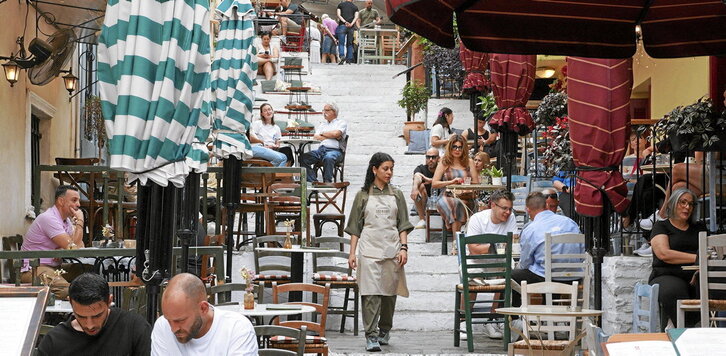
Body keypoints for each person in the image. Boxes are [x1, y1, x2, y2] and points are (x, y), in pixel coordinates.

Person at [346, 152, 413, 352]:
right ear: (374, 169)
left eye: (391, 168)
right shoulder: (363, 195)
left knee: (389, 294)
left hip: (392, 249)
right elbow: (355, 228)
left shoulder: (397, 194)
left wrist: (404, 248)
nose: (389, 172)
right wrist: (352, 253)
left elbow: (402, 224)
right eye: (385, 168)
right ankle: (371, 335)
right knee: (370, 295)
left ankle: (385, 330)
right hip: (368, 250)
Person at [37, 273, 152, 356]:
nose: (90, 325)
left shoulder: (134, 328)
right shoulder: (54, 342)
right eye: (81, 316)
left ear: (109, 301)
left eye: (97, 316)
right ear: (70, 303)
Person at [151, 273, 258, 355]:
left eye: (180, 320)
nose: (173, 329)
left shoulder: (237, 328)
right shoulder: (162, 326)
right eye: (168, 320)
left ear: (203, 308)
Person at [512, 192, 583, 308]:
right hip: (573, 277)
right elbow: (581, 254)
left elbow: (525, 263)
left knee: (512, 275)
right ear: (546, 206)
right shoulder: (570, 223)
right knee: (544, 270)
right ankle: (549, 318)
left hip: (549, 277)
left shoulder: (531, 228)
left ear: (528, 210)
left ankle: (515, 318)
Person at [465, 189, 518, 340]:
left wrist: (495, 247)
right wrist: (494, 246)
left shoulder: (511, 218)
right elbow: (473, 249)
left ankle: (493, 319)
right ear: (493, 205)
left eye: (509, 208)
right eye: (504, 208)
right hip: (477, 262)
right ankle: (464, 319)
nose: (507, 212)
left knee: (509, 275)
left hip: (499, 261)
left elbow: (512, 243)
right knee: (471, 277)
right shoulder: (477, 219)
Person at [648, 188, 705, 329]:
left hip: (695, 273)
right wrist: (697, 258)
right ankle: (683, 330)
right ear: (673, 204)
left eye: (691, 204)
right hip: (667, 274)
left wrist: (699, 269)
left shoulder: (699, 227)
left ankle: (703, 328)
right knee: (674, 291)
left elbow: (708, 251)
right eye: (683, 202)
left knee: (711, 288)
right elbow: (664, 254)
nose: (687, 207)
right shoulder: (661, 226)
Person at [20, 185, 85, 299]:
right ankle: (56, 316)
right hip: (34, 269)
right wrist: (80, 220)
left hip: (54, 267)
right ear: (61, 201)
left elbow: (79, 245)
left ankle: (85, 310)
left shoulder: (66, 221)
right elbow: (73, 248)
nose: (78, 205)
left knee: (87, 272)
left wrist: (64, 247)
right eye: (74, 200)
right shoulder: (49, 218)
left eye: (78, 200)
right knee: (65, 290)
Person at [432, 135, 479, 235]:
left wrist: (467, 187)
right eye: (454, 147)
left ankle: (456, 243)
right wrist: (451, 182)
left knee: (462, 204)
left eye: (460, 147)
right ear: (450, 148)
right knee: (457, 204)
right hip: (447, 195)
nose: (457, 150)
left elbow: (476, 183)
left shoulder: (469, 162)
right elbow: (434, 183)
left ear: (464, 149)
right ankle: (456, 242)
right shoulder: (444, 162)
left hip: (466, 195)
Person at [301, 103, 348, 183]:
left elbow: (336, 134)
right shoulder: (322, 124)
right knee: (303, 158)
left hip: (335, 151)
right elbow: (316, 137)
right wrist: (331, 135)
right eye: (323, 110)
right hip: (321, 150)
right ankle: (313, 182)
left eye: (326, 110)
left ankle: (327, 182)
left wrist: (323, 134)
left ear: (334, 112)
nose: (324, 112)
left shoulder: (341, 123)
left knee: (329, 157)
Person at [410, 147, 440, 229]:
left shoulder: (441, 168)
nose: (430, 159)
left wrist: (429, 180)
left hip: (440, 198)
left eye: (433, 157)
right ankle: (422, 219)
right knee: (420, 185)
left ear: (438, 158)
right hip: (424, 200)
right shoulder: (421, 168)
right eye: (428, 157)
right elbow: (417, 176)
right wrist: (414, 188)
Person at [336, 0, 359, 64]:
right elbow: (356, 17)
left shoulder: (340, 5)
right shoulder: (355, 7)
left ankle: (342, 56)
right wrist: (351, 24)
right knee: (350, 43)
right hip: (351, 27)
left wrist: (345, 22)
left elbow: (338, 15)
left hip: (342, 25)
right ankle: (349, 59)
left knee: (341, 43)